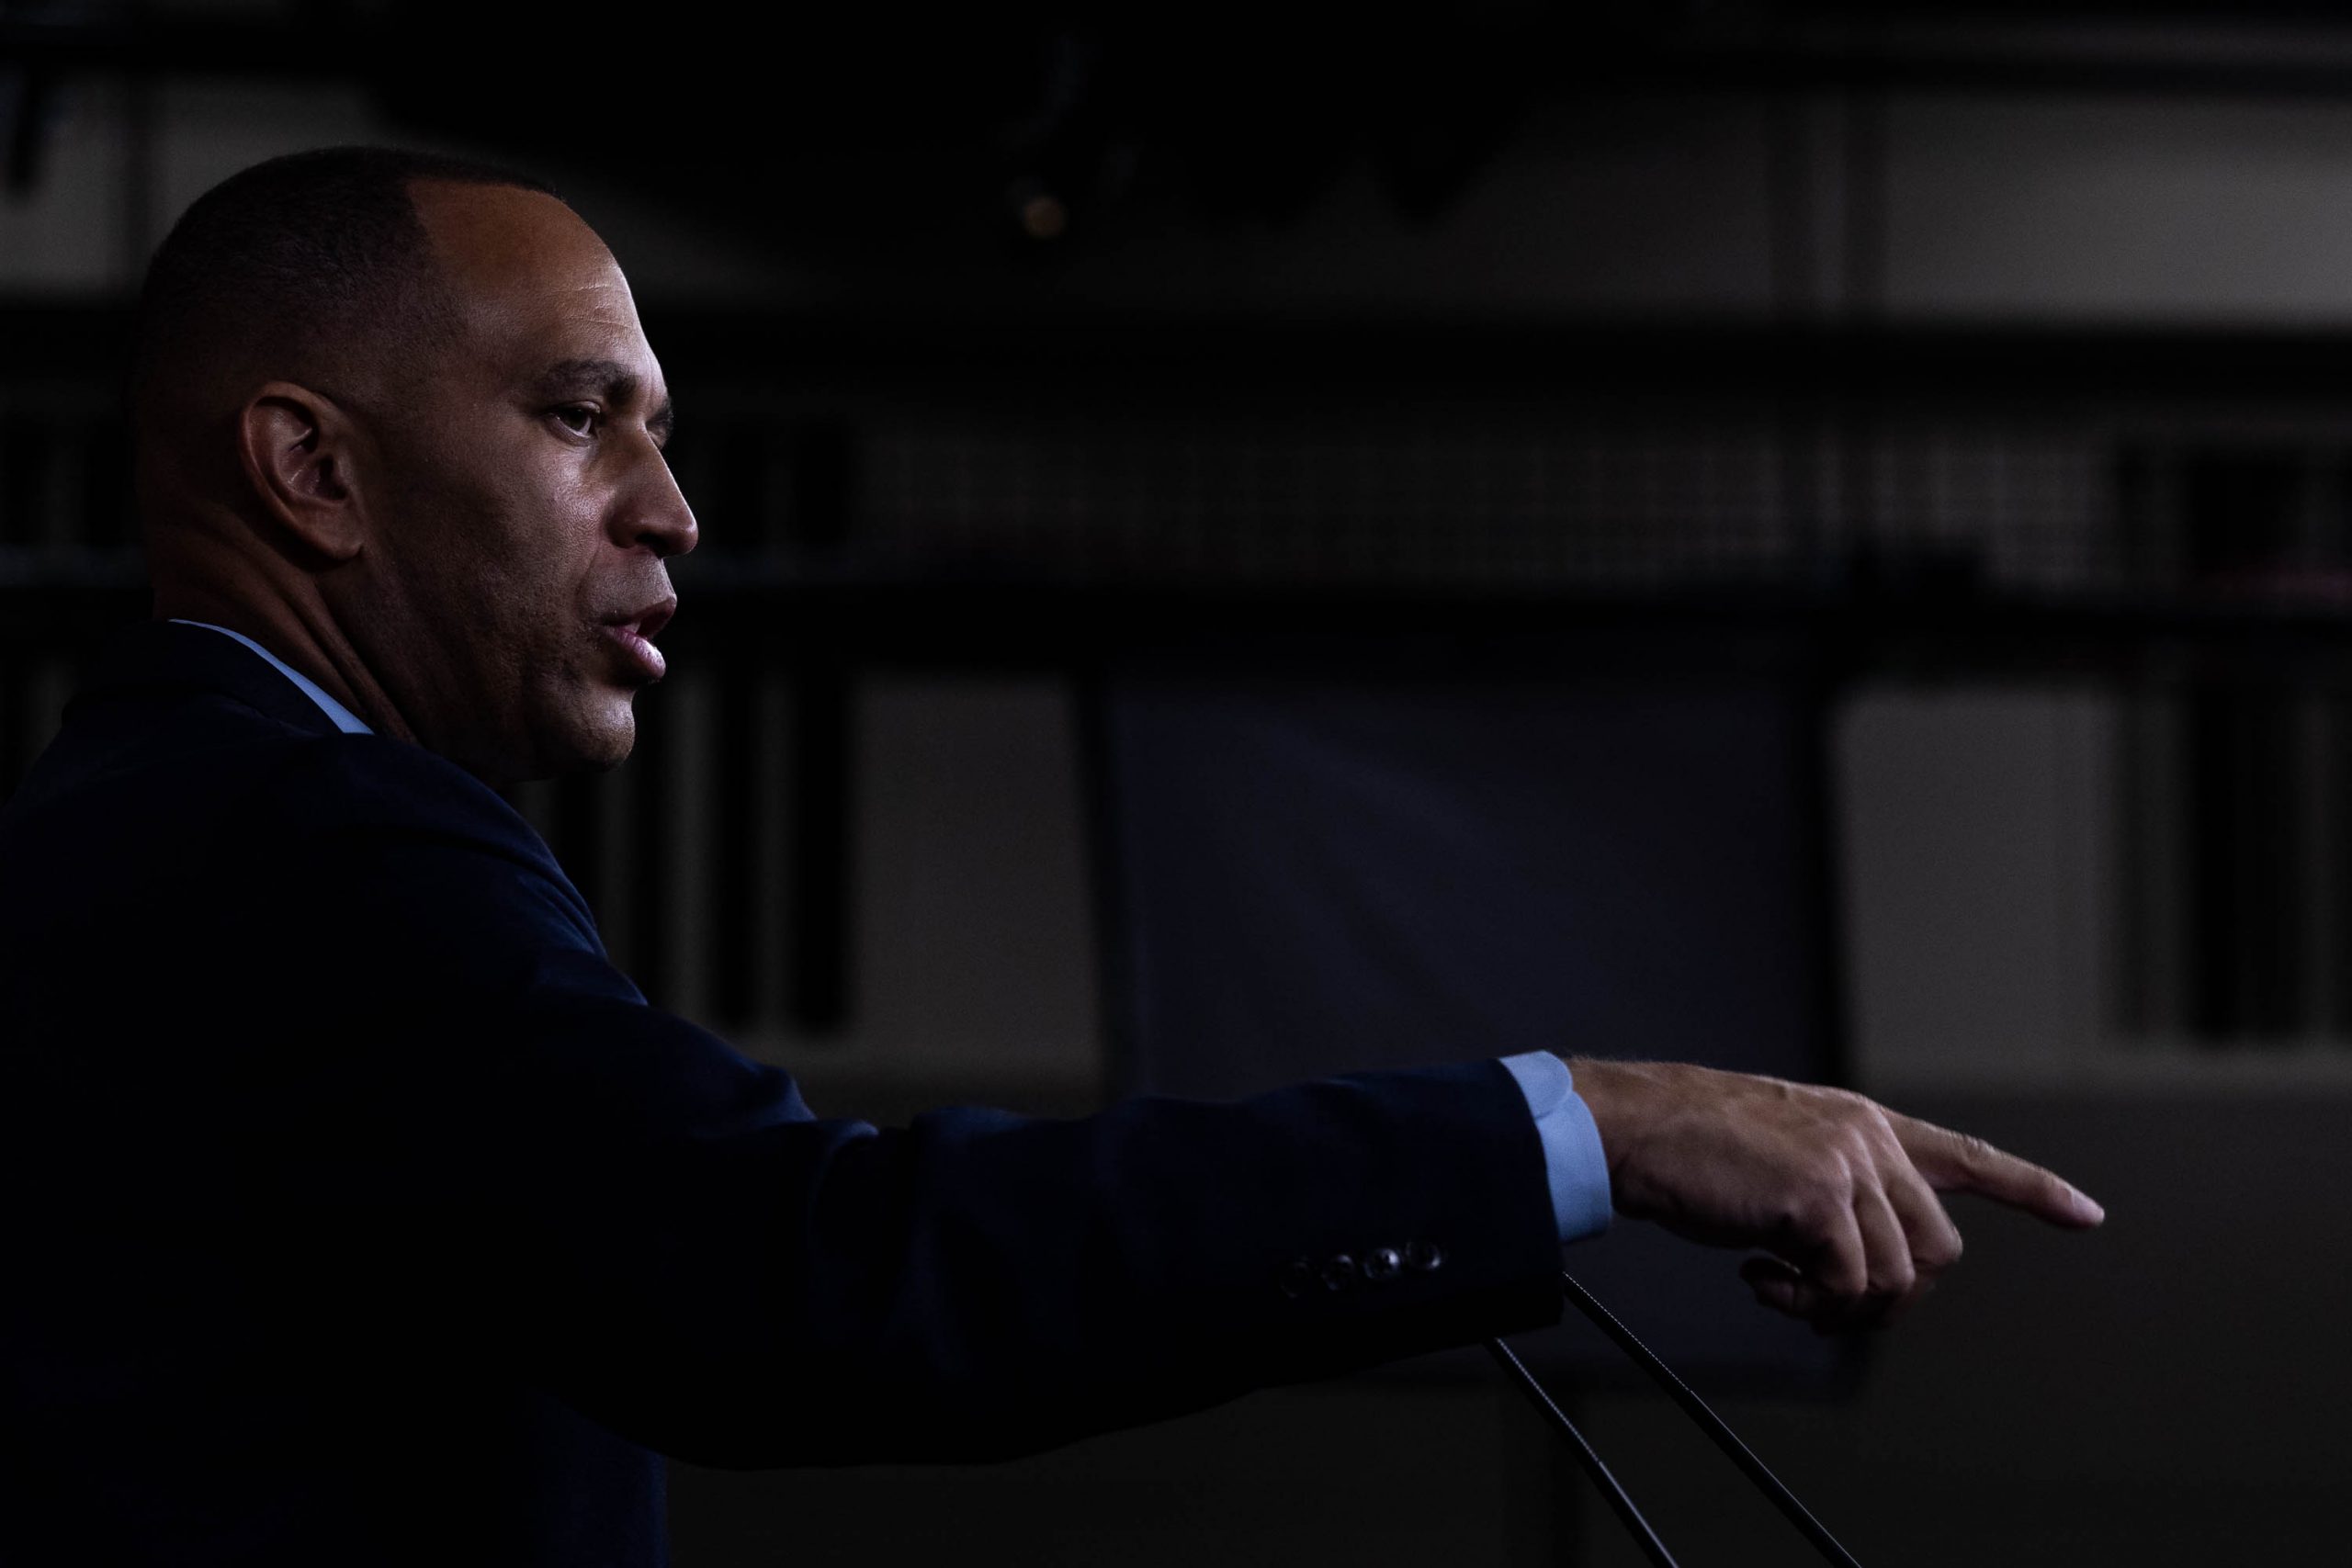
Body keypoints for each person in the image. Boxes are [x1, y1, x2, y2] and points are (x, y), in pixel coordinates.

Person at [0, 148, 2102, 1567]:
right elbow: (806, 1276)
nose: (672, 509)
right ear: (308, 469)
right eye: (582, 416)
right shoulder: (298, 841)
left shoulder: (168, 827)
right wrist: (1571, 1124)